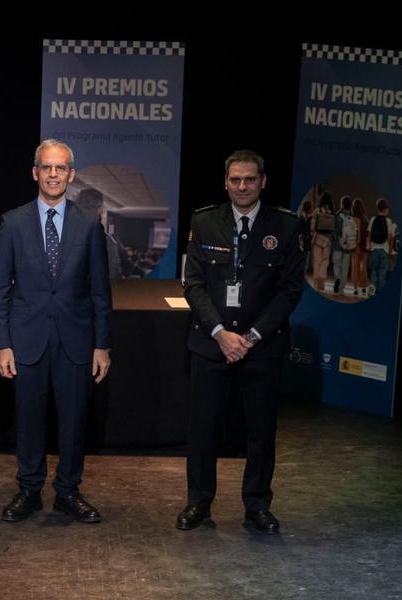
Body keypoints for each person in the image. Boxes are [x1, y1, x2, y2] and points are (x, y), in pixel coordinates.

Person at [177, 149, 305, 535]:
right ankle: (199, 502)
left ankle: (257, 505)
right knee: (203, 428)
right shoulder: (204, 222)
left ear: (263, 181)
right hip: (211, 344)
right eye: (235, 180)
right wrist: (221, 333)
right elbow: (193, 284)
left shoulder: (286, 226)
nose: (242, 186)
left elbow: (289, 290)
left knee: (261, 431)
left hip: (261, 348)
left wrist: (249, 337)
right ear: (225, 182)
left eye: (250, 179)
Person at [0, 139, 112, 523]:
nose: (54, 174)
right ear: (35, 173)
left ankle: (67, 491)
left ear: (71, 175)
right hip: (26, 340)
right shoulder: (12, 223)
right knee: (29, 420)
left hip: (76, 341)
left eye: (60, 168)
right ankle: (29, 490)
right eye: (47, 167)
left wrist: (102, 345)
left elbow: (100, 291)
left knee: (73, 421)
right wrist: (2, 344)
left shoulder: (89, 223)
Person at [366, 198, 398, 292]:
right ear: (385, 209)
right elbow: (390, 238)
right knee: (382, 273)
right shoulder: (388, 221)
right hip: (384, 250)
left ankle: (373, 288)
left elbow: (369, 234)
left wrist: (369, 246)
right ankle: (380, 291)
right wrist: (390, 251)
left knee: (374, 270)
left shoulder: (373, 219)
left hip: (374, 249)